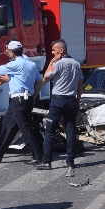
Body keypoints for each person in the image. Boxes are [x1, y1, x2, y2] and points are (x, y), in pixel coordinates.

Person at [0, 41, 44, 164]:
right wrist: (34, 95)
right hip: (25, 99)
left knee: (25, 128)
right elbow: (40, 81)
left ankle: (38, 155)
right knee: (12, 125)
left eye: (8, 51)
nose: (7, 53)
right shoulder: (31, 64)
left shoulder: (16, 64)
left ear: (12, 52)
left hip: (19, 100)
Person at [36, 40, 83, 173]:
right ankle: (70, 161)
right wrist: (78, 101)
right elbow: (80, 84)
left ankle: (47, 161)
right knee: (70, 130)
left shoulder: (57, 63)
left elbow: (45, 78)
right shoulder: (76, 64)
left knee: (50, 131)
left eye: (54, 50)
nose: (52, 53)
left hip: (58, 101)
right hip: (71, 100)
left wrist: (50, 63)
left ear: (61, 50)